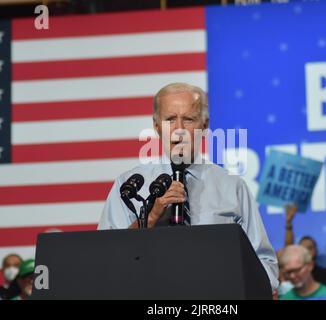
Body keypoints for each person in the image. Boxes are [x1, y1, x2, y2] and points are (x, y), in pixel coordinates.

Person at [98, 83, 279, 290]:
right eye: (170, 119)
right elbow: (107, 260)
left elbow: (265, 265)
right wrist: (150, 216)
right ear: (157, 127)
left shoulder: (233, 187)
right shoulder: (129, 185)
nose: (180, 129)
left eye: (189, 119)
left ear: (205, 125)